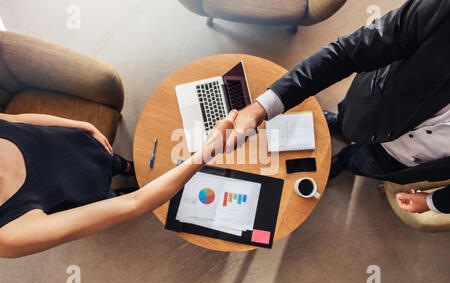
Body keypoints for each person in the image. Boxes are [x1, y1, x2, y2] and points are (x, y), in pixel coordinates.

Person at [226, 0, 450, 214]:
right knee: (348, 118)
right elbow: (346, 53)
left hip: (402, 161)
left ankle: (344, 161)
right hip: (374, 106)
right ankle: (341, 123)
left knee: (360, 162)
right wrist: (259, 109)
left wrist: (433, 202)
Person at [0, 110, 238, 258]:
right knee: (119, 196)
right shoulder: (8, 235)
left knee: (116, 163)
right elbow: (135, 203)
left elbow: (18, 120)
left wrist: (77, 125)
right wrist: (206, 152)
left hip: (85, 148)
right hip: (90, 195)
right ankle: (121, 186)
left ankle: (126, 167)